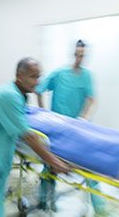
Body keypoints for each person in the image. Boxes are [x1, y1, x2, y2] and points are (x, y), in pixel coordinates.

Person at [0, 57, 70, 217]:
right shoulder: (9, 96)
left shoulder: (19, 95)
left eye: (39, 76)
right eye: (33, 76)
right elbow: (28, 136)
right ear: (20, 75)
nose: (37, 81)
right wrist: (54, 162)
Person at [36, 39, 105, 214]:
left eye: (83, 55)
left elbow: (91, 98)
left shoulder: (87, 76)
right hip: (56, 130)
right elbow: (39, 89)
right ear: (74, 54)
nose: (80, 58)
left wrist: (83, 118)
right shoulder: (59, 73)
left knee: (90, 166)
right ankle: (45, 201)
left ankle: (100, 209)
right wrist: (43, 112)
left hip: (76, 130)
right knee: (50, 166)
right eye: (78, 54)